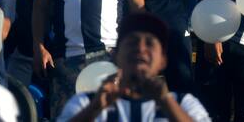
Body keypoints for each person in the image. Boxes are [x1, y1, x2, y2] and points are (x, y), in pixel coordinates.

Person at [58, 12, 211, 122]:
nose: (140, 48)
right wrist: (95, 108)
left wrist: (166, 102)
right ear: (115, 56)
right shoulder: (85, 102)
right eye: (132, 42)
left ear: (163, 60)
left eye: (150, 43)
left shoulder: (183, 103)